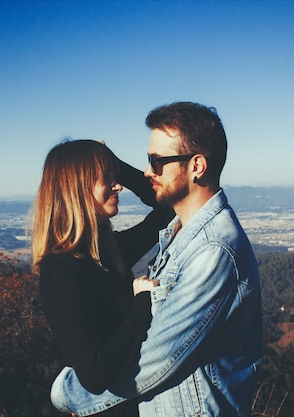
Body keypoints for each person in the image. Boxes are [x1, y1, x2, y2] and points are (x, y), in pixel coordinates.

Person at [50, 102, 263, 417]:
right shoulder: (179, 232)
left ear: (197, 166)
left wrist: (65, 392)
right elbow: (162, 206)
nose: (148, 171)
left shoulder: (212, 249)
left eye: (157, 161)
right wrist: (114, 164)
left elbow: (155, 363)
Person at [30, 139, 173, 417]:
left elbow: (167, 209)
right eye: (106, 179)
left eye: (114, 178)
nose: (117, 186)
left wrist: (115, 164)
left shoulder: (107, 253)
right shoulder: (61, 271)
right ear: (78, 188)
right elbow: (95, 376)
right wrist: (142, 303)